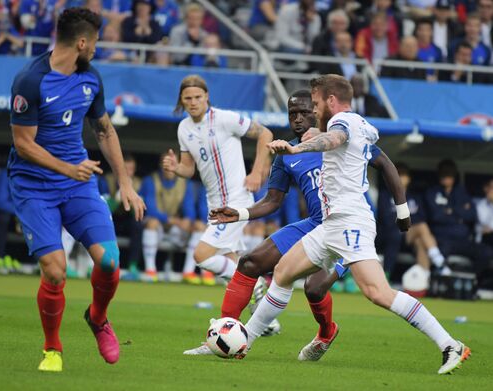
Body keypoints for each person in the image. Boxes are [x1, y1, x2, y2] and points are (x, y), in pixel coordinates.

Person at [245, 74, 470, 375]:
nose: (313, 110)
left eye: (315, 103)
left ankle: (449, 344)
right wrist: (402, 211)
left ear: (331, 101)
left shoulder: (343, 124)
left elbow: (334, 139)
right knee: (284, 272)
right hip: (332, 223)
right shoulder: (361, 123)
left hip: (351, 222)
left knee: (378, 292)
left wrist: (298, 149)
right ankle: (244, 339)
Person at [186, 89, 410, 358]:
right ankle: (224, 334)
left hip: (349, 225)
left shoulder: (340, 138)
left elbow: (386, 164)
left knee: (314, 288)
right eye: (293, 114)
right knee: (249, 262)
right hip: (314, 224)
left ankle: (327, 331)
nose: (299, 118)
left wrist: (402, 210)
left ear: (317, 111)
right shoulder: (286, 153)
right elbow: (272, 201)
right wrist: (240, 213)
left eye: (305, 112)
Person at [8, 7, 145, 372]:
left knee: (110, 261)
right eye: (96, 42)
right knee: (55, 271)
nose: (97, 48)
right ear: (81, 42)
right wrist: (69, 168)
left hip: (78, 183)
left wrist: (126, 183)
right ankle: (52, 349)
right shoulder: (30, 81)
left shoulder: (91, 78)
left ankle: (98, 317)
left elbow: (104, 131)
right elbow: (23, 143)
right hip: (34, 185)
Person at [162, 73, 273, 308]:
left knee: (201, 255)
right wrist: (175, 168)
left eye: (197, 97)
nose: (192, 102)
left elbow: (265, 134)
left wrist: (256, 172)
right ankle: (264, 321)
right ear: (181, 100)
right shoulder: (184, 128)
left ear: (207, 97)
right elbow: (189, 169)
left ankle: (255, 283)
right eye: (187, 98)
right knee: (231, 265)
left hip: (236, 200)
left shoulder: (225, 118)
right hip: (215, 205)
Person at [423, 160, 493, 280]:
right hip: (443, 239)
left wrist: (450, 211)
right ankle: (440, 283)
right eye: (444, 173)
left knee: (485, 252)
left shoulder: (461, 192)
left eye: (449, 174)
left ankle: (471, 280)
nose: (446, 177)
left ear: (454, 175)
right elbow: (436, 216)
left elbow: (471, 215)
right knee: (440, 251)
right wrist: (460, 213)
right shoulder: (432, 193)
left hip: (463, 240)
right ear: (439, 174)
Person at [376, 163, 445, 277]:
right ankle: (439, 262)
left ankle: (424, 279)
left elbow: (421, 216)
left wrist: (405, 220)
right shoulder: (385, 194)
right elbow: (386, 218)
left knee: (421, 240)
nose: (401, 177)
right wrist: (405, 220)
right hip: (391, 234)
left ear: (409, 178)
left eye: (404, 174)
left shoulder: (414, 197)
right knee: (421, 228)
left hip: (409, 233)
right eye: (398, 174)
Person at [139, 152, 197, 282]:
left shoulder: (185, 183)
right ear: (161, 165)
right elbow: (150, 210)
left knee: (198, 226)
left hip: (175, 228)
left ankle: (188, 272)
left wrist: (188, 220)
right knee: (151, 222)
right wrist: (172, 220)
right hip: (158, 226)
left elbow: (190, 210)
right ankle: (150, 270)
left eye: (173, 163)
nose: (169, 167)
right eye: (166, 163)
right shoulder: (150, 180)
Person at [0, 168, 21, 273]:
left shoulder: (37, 175)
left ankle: (40, 263)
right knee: (3, 218)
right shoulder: (6, 173)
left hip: (24, 216)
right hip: (10, 215)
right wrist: (21, 212)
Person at [476, 178, 493, 247]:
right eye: (490, 187)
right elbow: (479, 226)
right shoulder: (480, 205)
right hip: (484, 241)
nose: (490, 190)